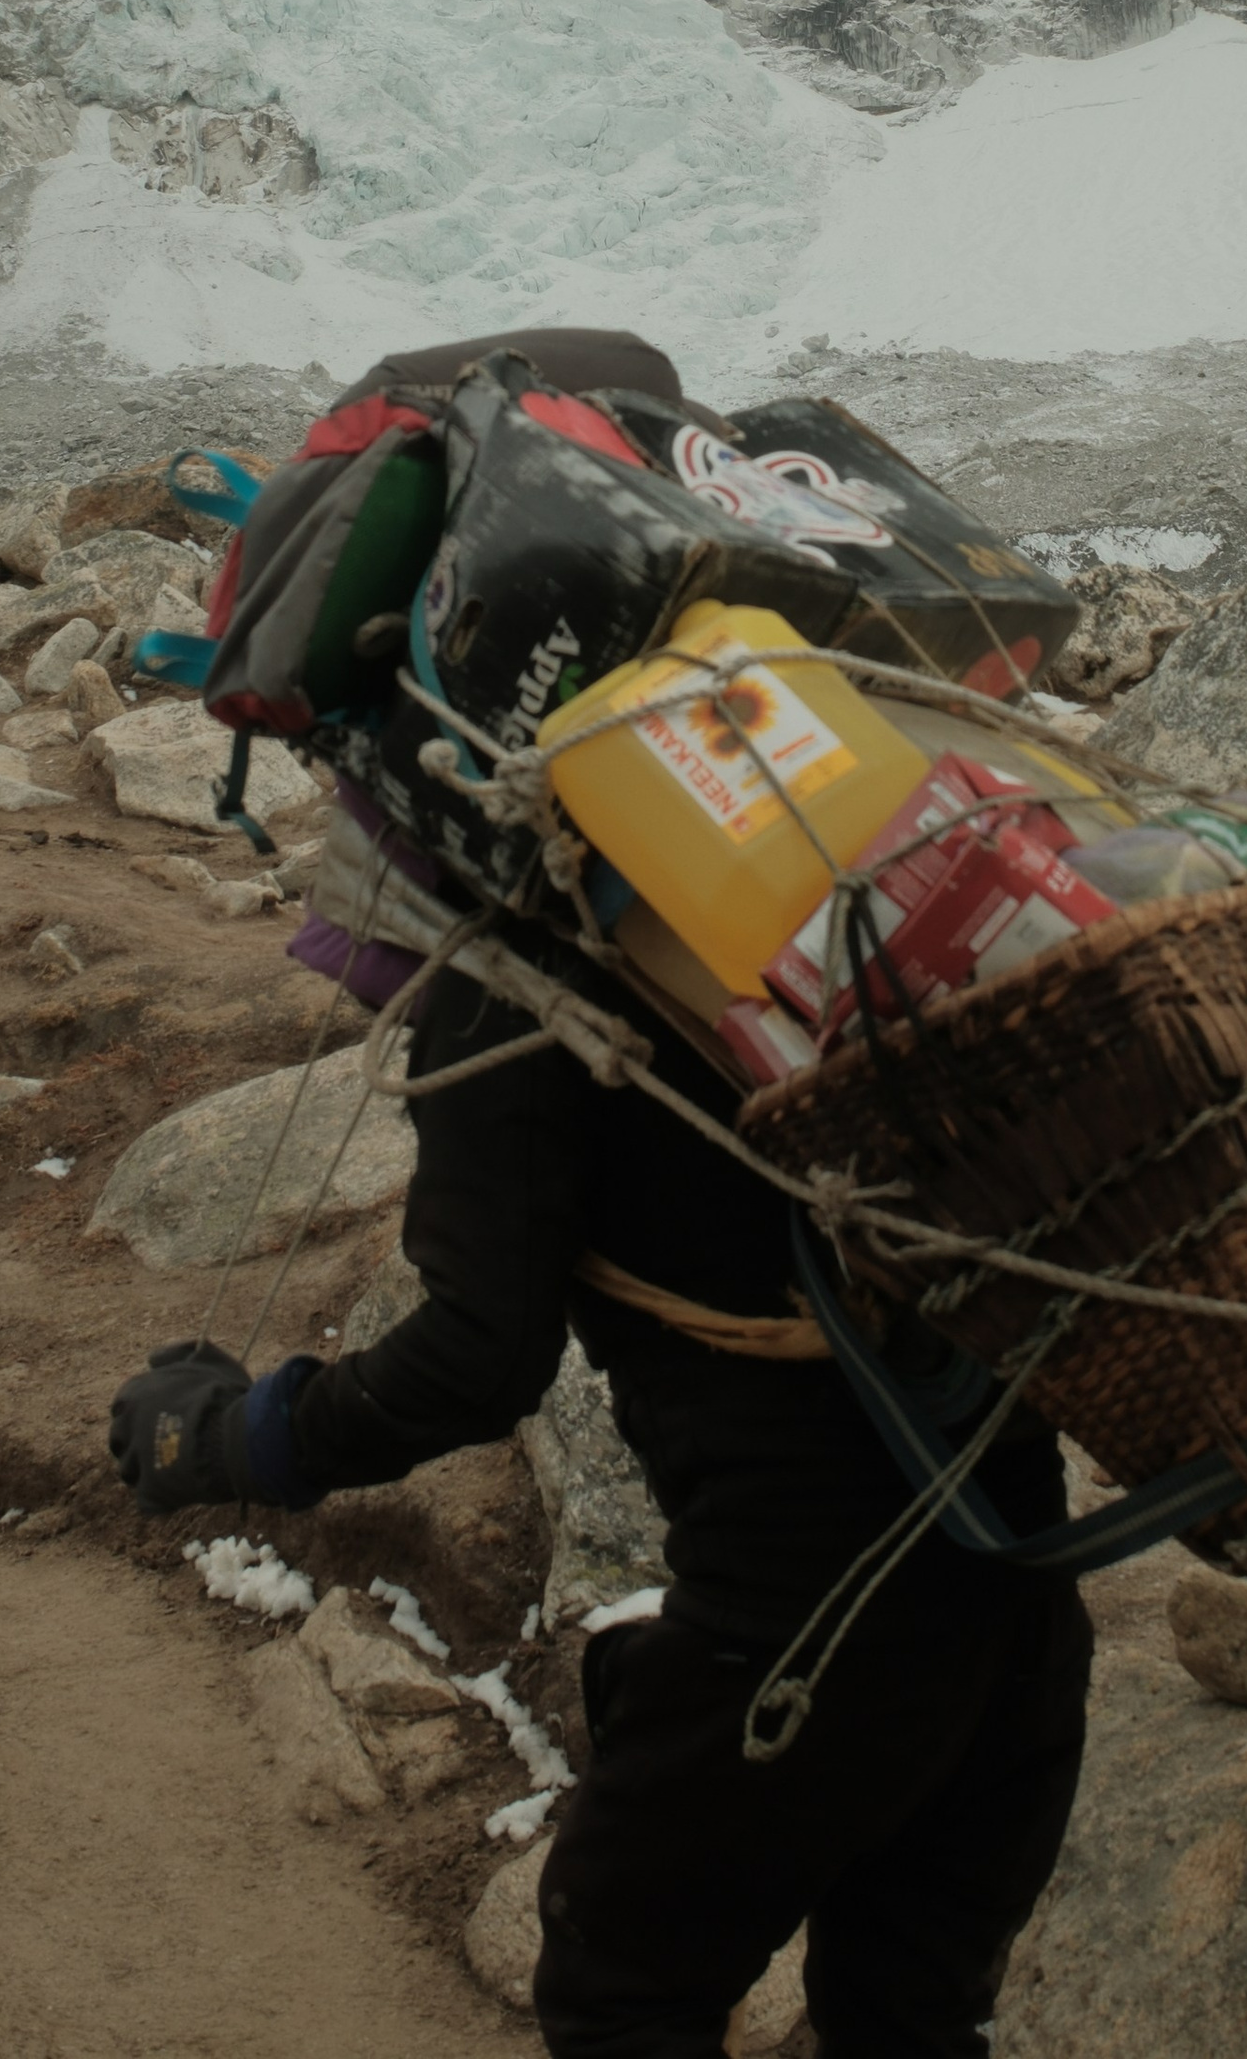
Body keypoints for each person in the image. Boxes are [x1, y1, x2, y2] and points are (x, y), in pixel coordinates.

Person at [108, 870, 1092, 2059]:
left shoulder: (519, 967)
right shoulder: (852, 884)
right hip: (1019, 1599)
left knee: (624, 1997)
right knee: (911, 2016)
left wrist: (236, 1438)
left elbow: (477, 1358)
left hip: (802, 1622)